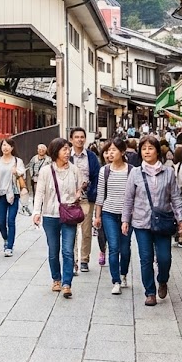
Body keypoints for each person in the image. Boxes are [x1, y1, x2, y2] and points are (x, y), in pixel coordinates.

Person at [122, 135, 182, 306]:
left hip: (163, 221)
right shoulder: (135, 173)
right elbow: (128, 199)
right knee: (146, 258)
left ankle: (163, 279)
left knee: (165, 258)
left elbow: (176, 197)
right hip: (141, 222)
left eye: (150, 148)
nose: (147, 151)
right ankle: (150, 292)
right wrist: (125, 220)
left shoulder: (169, 172)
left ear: (157, 151)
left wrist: (181, 217)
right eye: (143, 149)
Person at [32, 137, 84, 299]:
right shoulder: (46, 171)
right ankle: (56, 279)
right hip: (50, 215)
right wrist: (36, 212)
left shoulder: (74, 170)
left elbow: (80, 186)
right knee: (54, 250)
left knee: (68, 250)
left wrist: (78, 194)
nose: (68, 152)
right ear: (56, 152)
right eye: (64, 149)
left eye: (69, 149)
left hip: (68, 215)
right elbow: (40, 192)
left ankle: (67, 283)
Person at [94, 137, 134, 295]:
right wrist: (97, 216)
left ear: (122, 151)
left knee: (125, 249)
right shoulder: (105, 170)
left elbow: (134, 195)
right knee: (113, 247)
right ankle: (115, 280)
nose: (110, 153)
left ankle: (123, 274)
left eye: (113, 150)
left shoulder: (131, 170)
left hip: (127, 215)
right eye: (108, 150)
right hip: (109, 213)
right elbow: (100, 195)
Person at [69, 127, 102, 273]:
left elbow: (96, 176)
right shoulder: (66, 155)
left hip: (86, 197)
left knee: (86, 230)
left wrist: (92, 192)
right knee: (71, 230)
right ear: (71, 139)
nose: (79, 139)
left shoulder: (91, 156)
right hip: (69, 198)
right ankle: (73, 258)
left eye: (82, 137)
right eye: (76, 137)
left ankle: (84, 259)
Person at [0, 139, 27, 257]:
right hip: (0, 195)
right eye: (4, 145)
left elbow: (23, 175)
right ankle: (5, 238)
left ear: (12, 148)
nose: (5, 147)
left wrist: (16, 172)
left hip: (13, 194)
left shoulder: (17, 161)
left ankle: (9, 247)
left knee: (11, 220)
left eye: (8, 145)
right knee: (1, 222)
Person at [24, 144, 51, 215]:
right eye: (40, 149)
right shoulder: (34, 158)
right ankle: (36, 209)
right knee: (37, 194)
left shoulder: (48, 159)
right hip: (36, 179)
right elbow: (30, 167)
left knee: (45, 195)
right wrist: (32, 175)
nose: (41, 151)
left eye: (43, 150)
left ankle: (44, 209)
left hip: (45, 179)